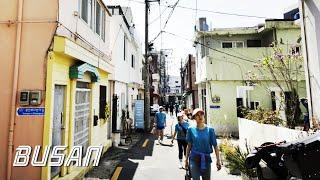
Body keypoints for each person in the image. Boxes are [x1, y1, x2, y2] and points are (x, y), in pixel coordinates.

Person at [185, 108, 221, 180]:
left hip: (206, 159)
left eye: (201, 114)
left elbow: (215, 146)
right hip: (194, 158)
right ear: (194, 118)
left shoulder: (210, 130)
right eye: (197, 115)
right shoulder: (190, 129)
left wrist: (218, 160)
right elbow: (189, 146)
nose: (200, 116)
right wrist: (186, 160)